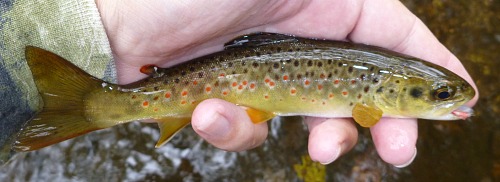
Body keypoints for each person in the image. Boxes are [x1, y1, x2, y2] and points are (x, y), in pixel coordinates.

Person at [95, 0, 478, 168]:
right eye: (439, 95)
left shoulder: (377, 80)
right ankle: (101, 105)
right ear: (388, 94)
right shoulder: (370, 105)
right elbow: (364, 117)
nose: (444, 100)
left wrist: (106, 31)